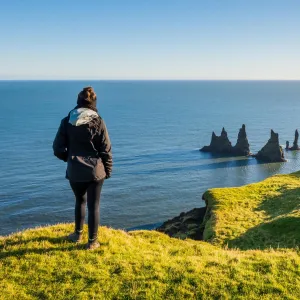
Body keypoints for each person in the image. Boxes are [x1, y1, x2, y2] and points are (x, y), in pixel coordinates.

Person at [53, 87, 112, 250]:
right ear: (93, 103)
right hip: (95, 171)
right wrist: (107, 170)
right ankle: (92, 242)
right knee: (94, 206)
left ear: (78, 102)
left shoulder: (67, 121)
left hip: (75, 171)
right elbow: (106, 149)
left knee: (80, 201)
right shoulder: (99, 121)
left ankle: (77, 234)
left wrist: (70, 159)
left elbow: (57, 148)